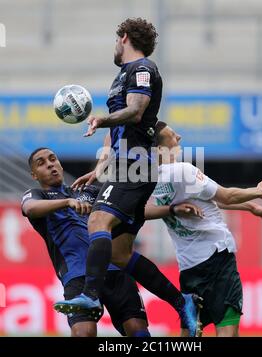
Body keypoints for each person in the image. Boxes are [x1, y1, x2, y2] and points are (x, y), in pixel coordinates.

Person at [55, 18, 200, 336]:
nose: (114, 46)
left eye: (115, 40)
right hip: (121, 167)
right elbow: (128, 128)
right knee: (120, 254)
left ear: (123, 38)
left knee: (97, 222)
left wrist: (101, 120)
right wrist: (99, 170)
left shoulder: (143, 69)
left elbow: (136, 112)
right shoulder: (122, 77)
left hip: (135, 166)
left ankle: (90, 298)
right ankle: (182, 303)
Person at [151, 121, 262, 337]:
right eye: (173, 135)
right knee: (227, 329)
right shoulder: (184, 171)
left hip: (188, 266)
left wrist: (249, 206)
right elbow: (225, 195)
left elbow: (209, 199)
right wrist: (257, 191)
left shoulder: (150, 178)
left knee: (190, 335)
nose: (180, 137)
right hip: (217, 259)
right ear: (160, 149)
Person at [21, 147, 151, 337]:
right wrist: (66, 202)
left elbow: (129, 209)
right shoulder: (36, 196)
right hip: (77, 275)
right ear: (34, 175)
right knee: (84, 333)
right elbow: (30, 208)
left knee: (138, 331)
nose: (50, 164)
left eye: (52, 159)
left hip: (114, 269)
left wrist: (171, 210)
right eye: (42, 163)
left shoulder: (89, 191)